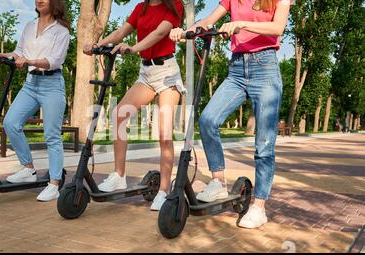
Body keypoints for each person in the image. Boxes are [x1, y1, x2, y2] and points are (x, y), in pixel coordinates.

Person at [170, 0, 291, 228]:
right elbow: (207, 22)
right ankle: (218, 182)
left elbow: (278, 28)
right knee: (208, 119)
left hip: (265, 67)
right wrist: (184, 31)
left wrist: (239, 24)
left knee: (264, 144)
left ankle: (259, 207)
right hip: (236, 69)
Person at [83, 0, 186, 211]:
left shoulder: (174, 5)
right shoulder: (141, 7)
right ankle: (119, 175)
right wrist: (98, 44)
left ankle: (164, 190)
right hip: (146, 73)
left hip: (166, 73)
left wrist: (134, 48)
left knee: (164, 133)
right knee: (119, 114)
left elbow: (160, 33)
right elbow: (121, 32)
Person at [0, 0, 71, 202]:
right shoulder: (30, 26)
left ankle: (54, 184)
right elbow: (19, 53)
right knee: (11, 123)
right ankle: (28, 168)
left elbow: (54, 60)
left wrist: (30, 61)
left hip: (52, 85)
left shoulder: (61, 31)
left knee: (52, 136)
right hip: (31, 83)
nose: (39, 0)